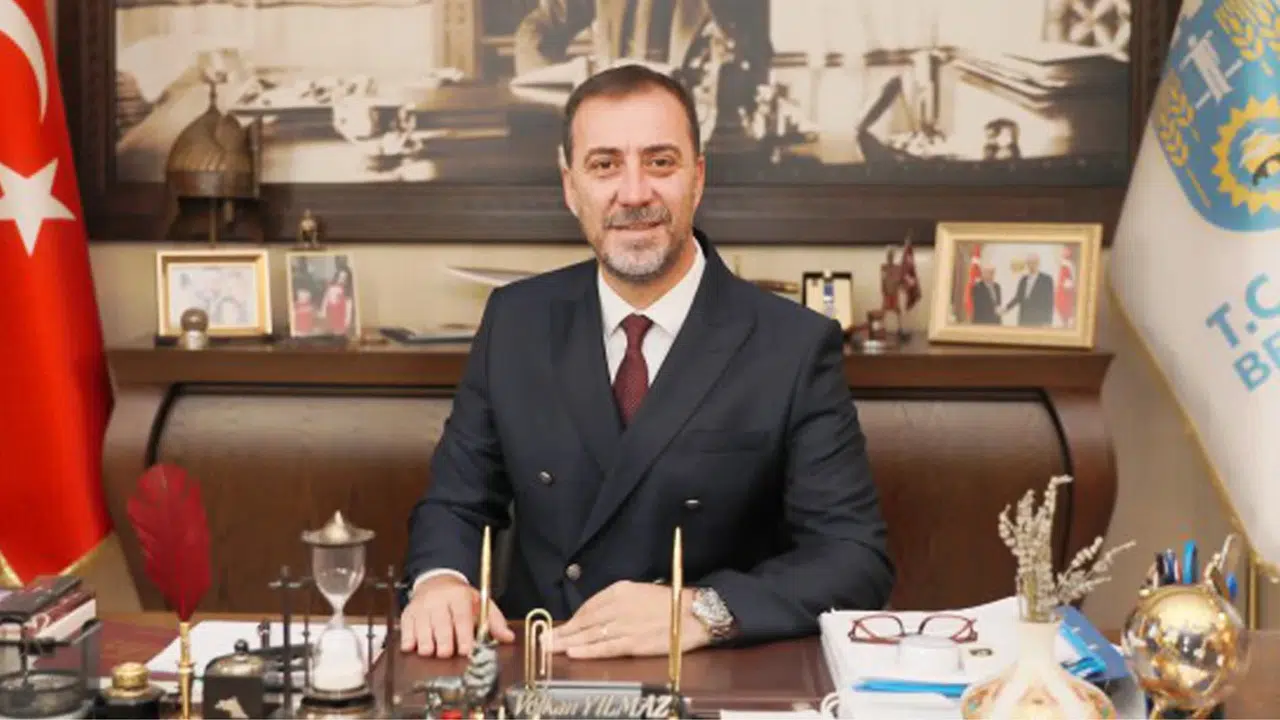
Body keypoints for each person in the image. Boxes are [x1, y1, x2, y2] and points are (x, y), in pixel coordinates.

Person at [400, 63, 893, 661]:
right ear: (570, 186)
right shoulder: (515, 321)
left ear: (698, 178)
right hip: (543, 658)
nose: (634, 194)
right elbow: (455, 503)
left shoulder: (792, 343)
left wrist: (702, 610)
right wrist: (441, 582)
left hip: (707, 671)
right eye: (604, 165)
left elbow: (853, 557)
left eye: (660, 162)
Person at [1003, 253, 1055, 326]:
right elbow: (1018, 297)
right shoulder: (1023, 279)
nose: (1031, 265)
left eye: (1033, 263)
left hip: (1039, 320)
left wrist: (1048, 321)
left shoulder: (1046, 279)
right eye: (1029, 263)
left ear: (1038, 263)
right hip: (1024, 318)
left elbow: (1049, 301)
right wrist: (1006, 308)